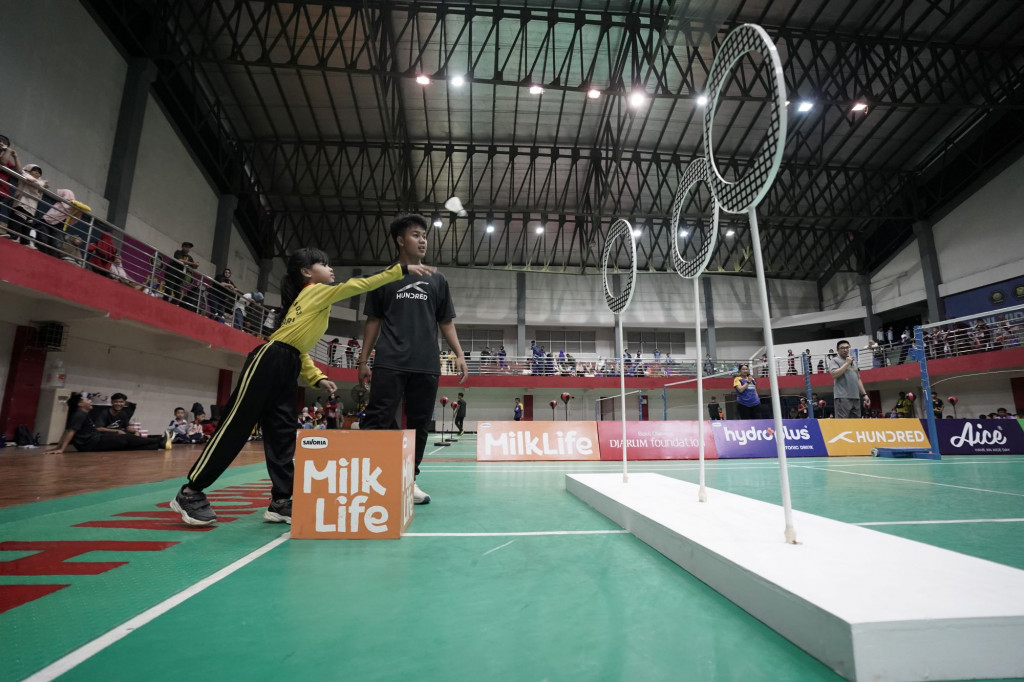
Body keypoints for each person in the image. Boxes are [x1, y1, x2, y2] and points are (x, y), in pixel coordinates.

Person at [169, 247, 427, 526]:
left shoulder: (309, 301)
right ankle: (190, 491)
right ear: (307, 272)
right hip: (268, 361)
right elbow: (358, 284)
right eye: (324, 264)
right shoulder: (315, 290)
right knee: (237, 425)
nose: (331, 269)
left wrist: (316, 376)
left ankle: (281, 500)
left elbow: (299, 348)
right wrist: (399, 270)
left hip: (287, 363)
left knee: (282, 434)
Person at [358, 214, 468, 506]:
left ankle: (409, 480)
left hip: (425, 363)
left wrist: (458, 353)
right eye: (416, 235)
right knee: (377, 419)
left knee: (419, 425)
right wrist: (363, 360)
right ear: (400, 240)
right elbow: (373, 320)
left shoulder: (437, 279)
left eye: (424, 236)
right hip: (389, 360)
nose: (423, 241)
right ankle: (370, 479)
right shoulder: (384, 277)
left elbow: (445, 322)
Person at [45, 392, 172, 454]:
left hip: (94, 441)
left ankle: (159, 445)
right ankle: (159, 440)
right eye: (86, 400)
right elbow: (70, 431)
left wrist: (59, 447)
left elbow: (67, 430)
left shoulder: (80, 414)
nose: (89, 401)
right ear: (80, 404)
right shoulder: (80, 414)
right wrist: (61, 449)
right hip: (92, 443)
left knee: (126, 444)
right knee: (126, 439)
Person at [829, 339, 869, 418]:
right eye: (842, 348)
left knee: (855, 423)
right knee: (843, 423)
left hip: (855, 397)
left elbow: (858, 379)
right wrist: (847, 363)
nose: (845, 350)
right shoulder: (834, 360)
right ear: (838, 350)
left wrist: (864, 395)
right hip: (842, 397)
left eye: (847, 347)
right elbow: (834, 375)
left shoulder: (853, 362)